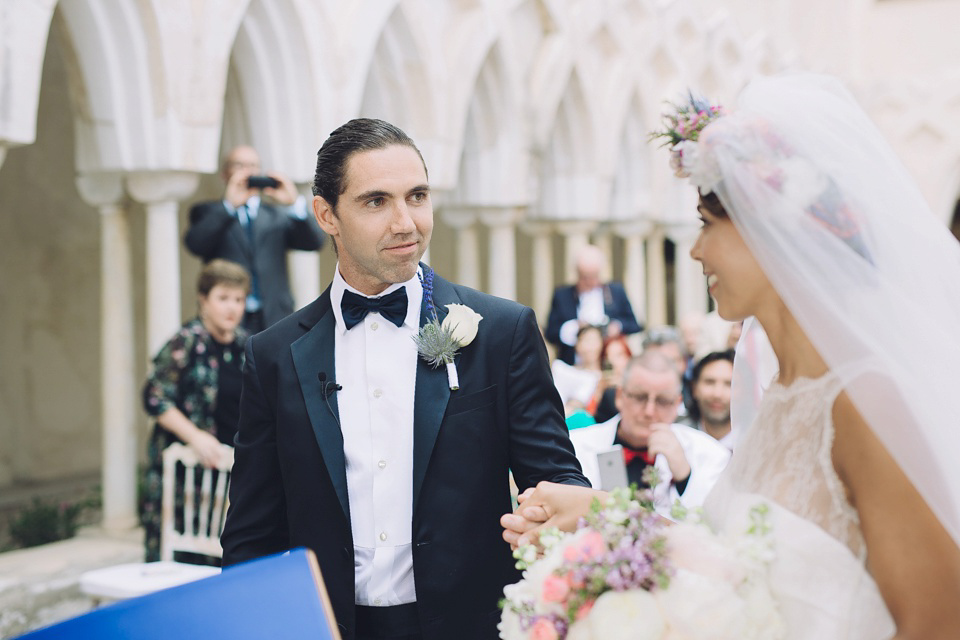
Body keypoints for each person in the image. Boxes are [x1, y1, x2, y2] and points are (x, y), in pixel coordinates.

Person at [503, 74, 960, 638]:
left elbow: (939, 621)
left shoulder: (865, 399)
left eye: (706, 223)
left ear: (772, 229)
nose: (694, 250)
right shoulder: (781, 396)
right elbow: (737, 564)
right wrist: (599, 513)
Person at [219, 118, 589, 640]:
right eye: (376, 202)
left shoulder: (503, 332)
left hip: (474, 627)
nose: (406, 222)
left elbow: (558, 482)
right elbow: (251, 534)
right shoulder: (273, 355)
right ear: (327, 214)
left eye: (417, 196)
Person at [141, 259, 250, 562]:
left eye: (239, 299)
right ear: (204, 300)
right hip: (184, 473)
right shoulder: (187, 341)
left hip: (229, 473)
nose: (232, 308)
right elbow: (154, 397)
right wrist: (196, 438)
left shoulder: (246, 345)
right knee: (180, 560)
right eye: (223, 298)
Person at [184, 145, 325, 332]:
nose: (247, 171)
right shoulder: (209, 212)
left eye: (253, 165)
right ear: (225, 174)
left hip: (274, 316)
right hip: (228, 319)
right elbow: (195, 244)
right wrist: (228, 206)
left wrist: (293, 203)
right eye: (239, 165)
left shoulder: (276, 214)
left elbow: (314, 242)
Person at [569, 351, 729, 515]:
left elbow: (716, 522)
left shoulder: (710, 453)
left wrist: (684, 476)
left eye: (663, 401)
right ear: (619, 396)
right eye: (639, 397)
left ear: (677, 404)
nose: (649, 411)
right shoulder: (574, 446)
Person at [544, 244, 642, 365]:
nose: (590, 282)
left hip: (608, 363)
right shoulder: (562, 295)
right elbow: (551, 332)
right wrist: (573, 328)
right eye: (585, 277)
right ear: (577, 273)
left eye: (594, 276)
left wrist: (616, 327)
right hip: (573, 364)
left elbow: (635, 325)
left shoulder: (616, 291)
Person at [686, 349, 735, 450]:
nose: (717, 394)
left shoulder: (757, 443)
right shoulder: (680, 438)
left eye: (729, 384)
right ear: (694, 388)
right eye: (709, 382)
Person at [550, 324, 604, 415]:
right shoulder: (562, 370)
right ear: (577, 345)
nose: (591, 347)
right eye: (587, 340)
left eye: (594, 340)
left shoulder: (606, 378)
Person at [591, 334, 633, 423]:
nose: (612, 361)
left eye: (619, 355)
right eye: (607, 356)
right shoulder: (596, 383)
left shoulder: (637, 385)